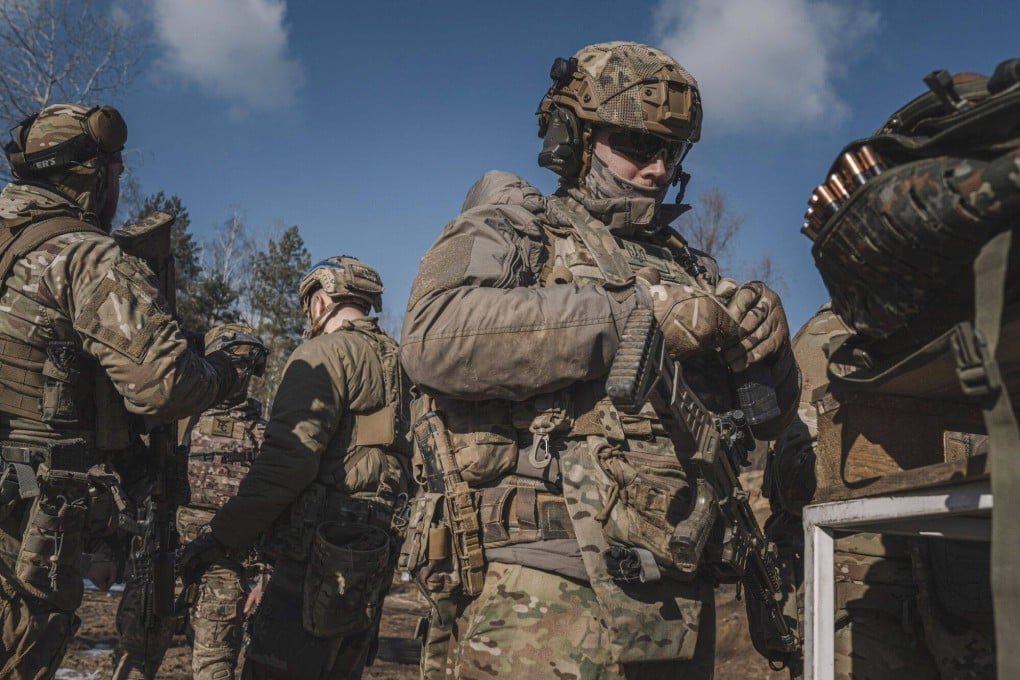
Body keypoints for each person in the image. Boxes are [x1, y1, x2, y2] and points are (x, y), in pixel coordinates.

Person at [399, 41, 799, 678]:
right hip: (546, 589)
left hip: (675, 588)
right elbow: (432, 336)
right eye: (639, 145)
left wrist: (769, 350)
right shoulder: (519, 228)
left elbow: (768, 424)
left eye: (673, 152)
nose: (659, 169)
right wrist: (633, 316)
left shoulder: (690, 266)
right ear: (575, 139)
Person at [0, 104, 242, 677]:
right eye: (116, 170)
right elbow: (166, 385)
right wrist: (226, 369)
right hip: (25, 511)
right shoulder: (83, 254)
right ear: (92, 176)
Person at [180, 256, 411, 679]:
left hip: (315, 557)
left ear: (320, 302)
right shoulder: (402, 364)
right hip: (373, 555)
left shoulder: (324, 354)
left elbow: (286, 462)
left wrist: (222, 535)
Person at [761, 303, 996, 679]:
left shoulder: (942, 328)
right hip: (861, 598)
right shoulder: (827, 335)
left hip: (954, 587)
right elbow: (795, 480)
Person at [112, 324, 269, 680]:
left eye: (246, 363)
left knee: (215, 669)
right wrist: (109, 551)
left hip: (224, 569)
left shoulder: (263, 435)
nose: (238, 371)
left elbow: (273, 511)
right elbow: (130, 484)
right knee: (134, 661)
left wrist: (265, 579)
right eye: (230, 359)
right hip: (162, 557)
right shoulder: (172, 421)